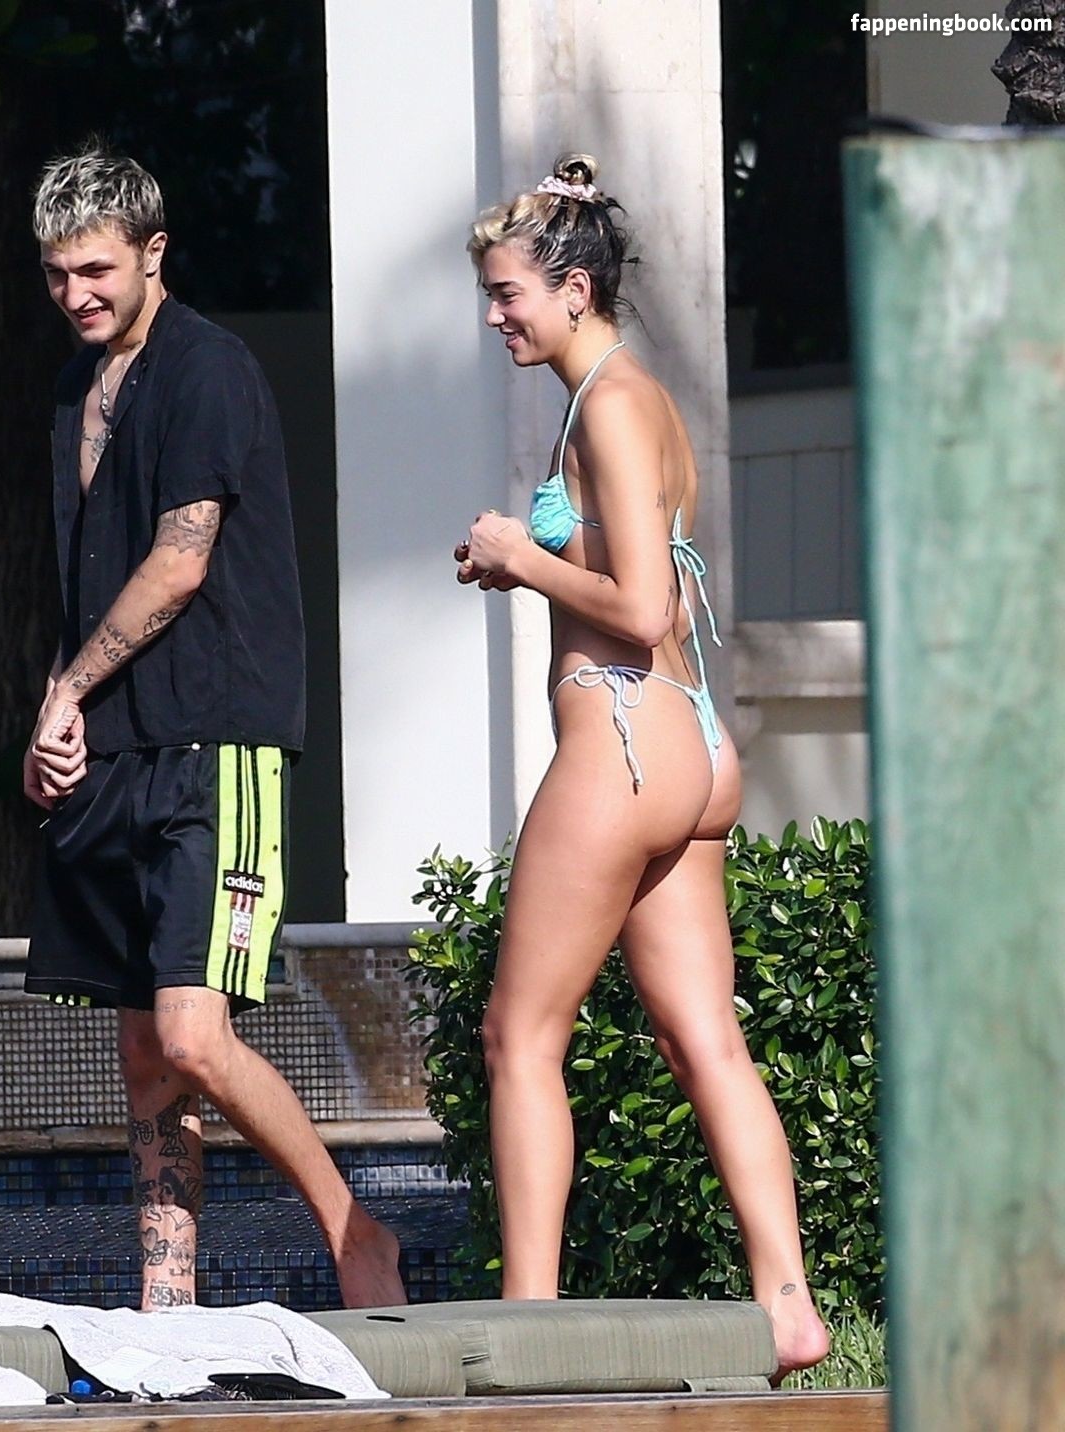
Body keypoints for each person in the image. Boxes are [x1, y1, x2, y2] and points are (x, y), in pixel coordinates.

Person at [456, 154, 830, 1375]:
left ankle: (525, 1326)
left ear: (574, 288)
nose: (496, 317)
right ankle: (788, 1303)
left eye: (509, 293)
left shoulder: (612, 404)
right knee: (702, 1038)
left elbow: (643, 602)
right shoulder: (633, 400)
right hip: (686, 741)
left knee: (520, 1037)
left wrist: (519, 556)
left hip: (621, 734)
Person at [22, 142, 403, 1311]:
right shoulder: (74, 395)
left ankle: (356, 1230)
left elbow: (180, 562)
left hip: (215, 745)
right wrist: (60, 713)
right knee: (146, 1053)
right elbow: (88, 582)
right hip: (113, 751)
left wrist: (65, 689)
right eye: (56, 273)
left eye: (97, 269)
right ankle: (169, 1298)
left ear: (154, 251)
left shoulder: (209, 368)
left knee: (192, 1036)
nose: (76, 294)